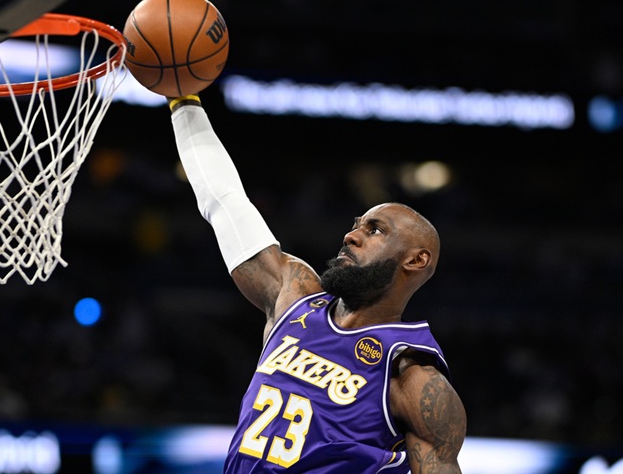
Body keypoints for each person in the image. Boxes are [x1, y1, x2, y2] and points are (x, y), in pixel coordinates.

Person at [167, 93, 467, 473]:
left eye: (375, 230)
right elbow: (225, 201)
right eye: (356, 225)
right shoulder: (294, 298)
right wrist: (183, 101)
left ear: (415, 260)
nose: (351, 236)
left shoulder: (413, 378)